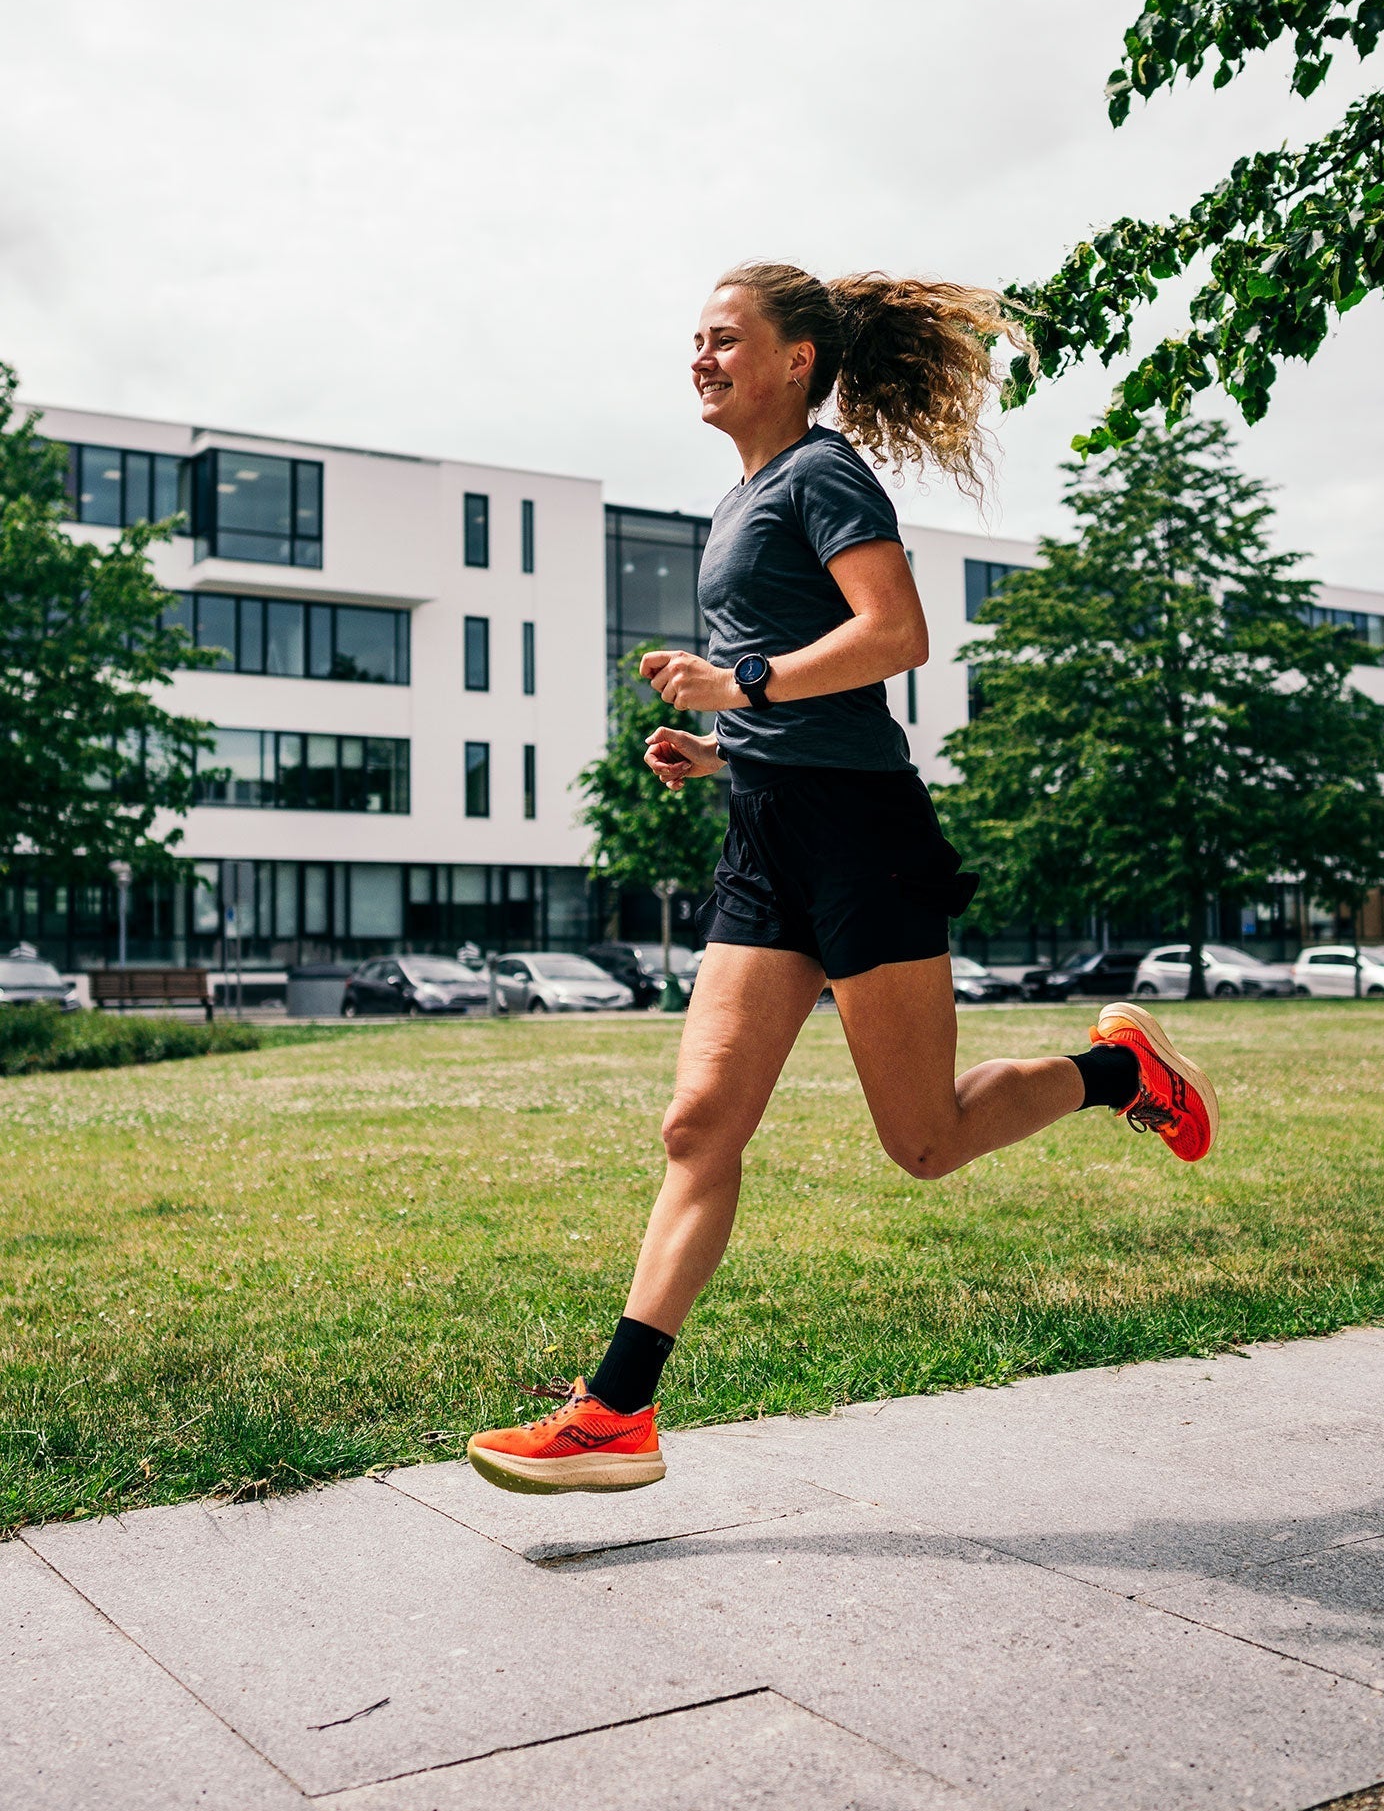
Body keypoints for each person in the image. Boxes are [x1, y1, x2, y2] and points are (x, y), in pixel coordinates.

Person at [466, 262, 1218, 1497]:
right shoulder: (735, 499)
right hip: (767, 835)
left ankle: (1120, 1071)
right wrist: (723, 748)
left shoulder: (823, 474)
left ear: (796, 359)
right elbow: (803, 683)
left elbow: (896, 636)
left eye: (724, 338)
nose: (699, 358)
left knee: (924, 1141)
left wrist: (742, 687)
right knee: (699, 1123)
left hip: (862, 834)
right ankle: (616, 1409)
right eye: (693, 341)